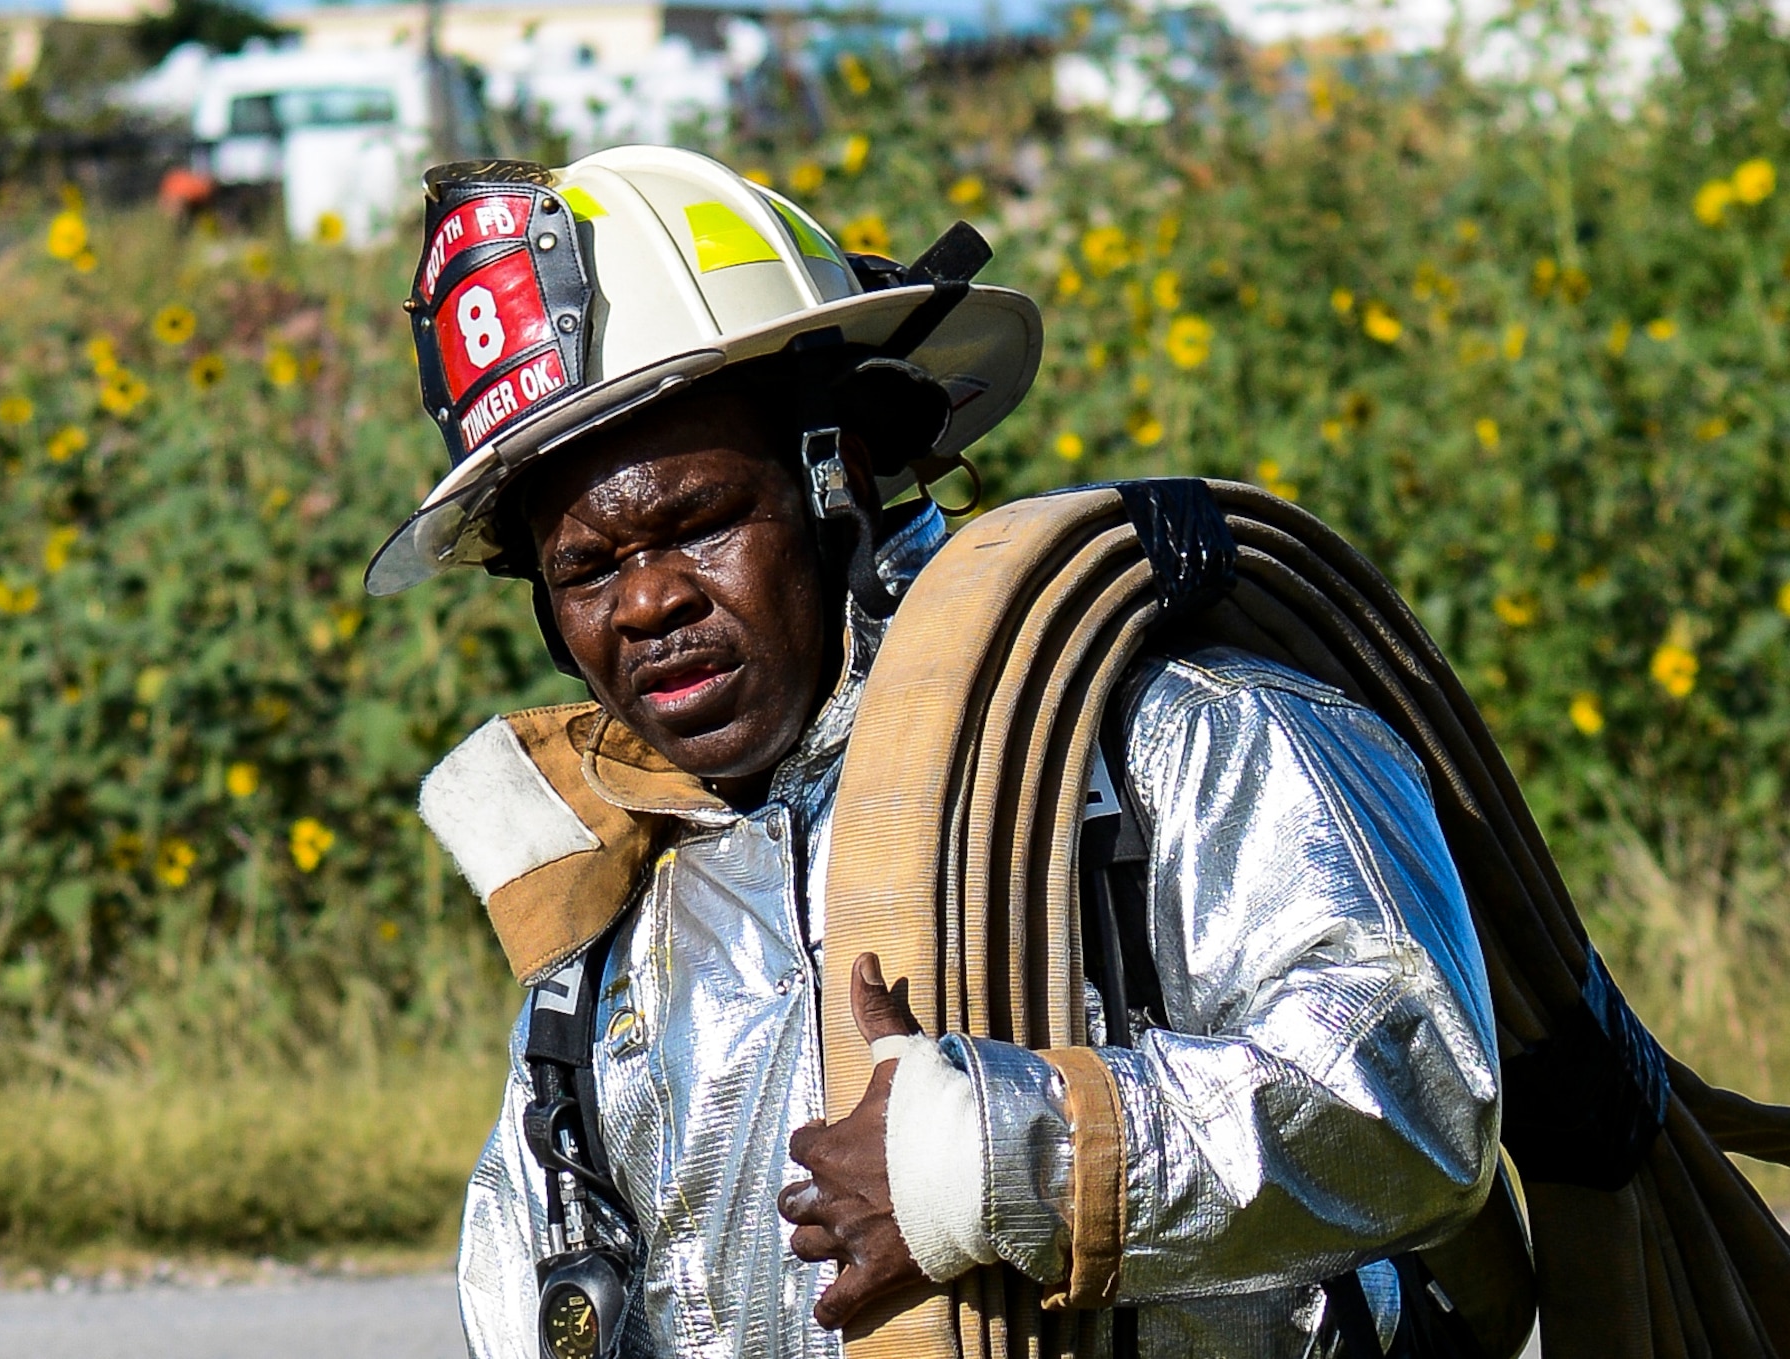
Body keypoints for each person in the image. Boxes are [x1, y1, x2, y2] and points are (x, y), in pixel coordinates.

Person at [365, 146, 1499, 1359]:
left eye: (696, 524)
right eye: (585, 569)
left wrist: (992, 1163)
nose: (645, 606)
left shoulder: (1162, 739)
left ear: (834, 474)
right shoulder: (607, 936)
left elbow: (1410, 1096)